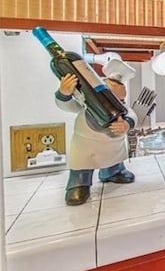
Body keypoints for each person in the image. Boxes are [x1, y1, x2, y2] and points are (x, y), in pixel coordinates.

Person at [56, 73, 137, 206]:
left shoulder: (122, 110)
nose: (119, 103)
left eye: (122, 100)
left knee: (113, 158)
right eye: (114, 99)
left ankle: (114, 171)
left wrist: (127, 124)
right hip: (86, 147)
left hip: (114, 148)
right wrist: (64, 94)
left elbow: (132, 116)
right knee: (83, 163)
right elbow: (66, 105)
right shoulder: (87, 106)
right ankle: (79, 183)